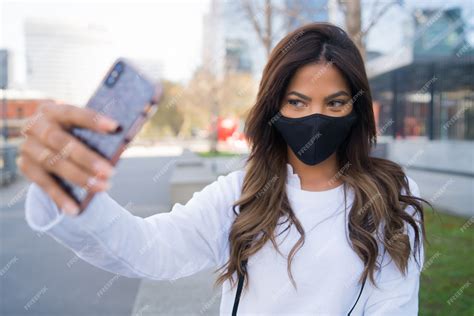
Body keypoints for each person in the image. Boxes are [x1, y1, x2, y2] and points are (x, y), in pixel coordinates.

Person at [19, 22, 432, 315]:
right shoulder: (240, 195)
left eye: (335, 103)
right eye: (298, 102)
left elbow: (393, 306)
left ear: (356, 110)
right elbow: (148, 251)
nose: (316, 118)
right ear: (274, 108)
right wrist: (68, 187)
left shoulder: (391, 196)